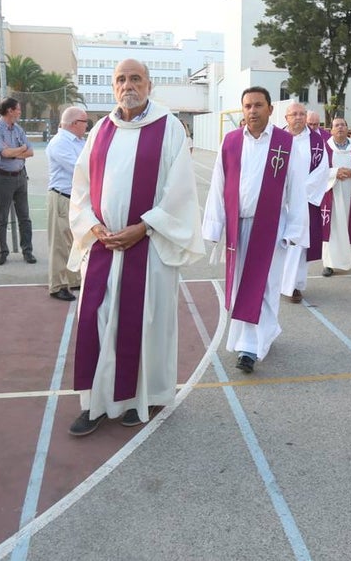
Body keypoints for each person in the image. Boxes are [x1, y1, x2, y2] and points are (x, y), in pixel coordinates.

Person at [66, 59, 203, 435]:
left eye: (136, 78)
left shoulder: (169, 127)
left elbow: (181, 194)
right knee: (97, 320)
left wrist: (142, 228)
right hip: (102, 246)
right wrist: (93, 224)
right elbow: (80, 187)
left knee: (144, 323)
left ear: (149, 84)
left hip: (150, 247)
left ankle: (138, 399)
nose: (128, 85)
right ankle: (94, 403)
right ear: (113, 87)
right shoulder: (101, 130)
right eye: (121, 79)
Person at [203, 87, 305, 374]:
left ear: (270, 109)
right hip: (239, 226)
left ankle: (251, 347)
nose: (252, 111)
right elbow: (218, 185)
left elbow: (296, 189)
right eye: (247, 105)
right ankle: (251, 338)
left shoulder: (285, 143)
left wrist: (294, 230)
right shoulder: (232, 141)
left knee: (266, 287)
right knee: (240, 286)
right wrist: (214, 226)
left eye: (258, 105)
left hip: (271, 228)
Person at [278, 101, 329, 304]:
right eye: (294, 114)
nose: (299, 117)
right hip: (279, 202)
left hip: (304, 201)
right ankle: (277, 282)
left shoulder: (316, 141)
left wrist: (299, 192)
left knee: (298, 244)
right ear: (286, 118)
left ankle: (295, 286)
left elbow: (322, 170)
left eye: (302, 114)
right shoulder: (277, 139)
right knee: (279, 244)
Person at [45, 105, 89, 300]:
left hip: (76, 199)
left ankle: (74, 279)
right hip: (62, 197)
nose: (87, 125)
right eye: (84, 122)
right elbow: (79, 168)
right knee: (60, 244)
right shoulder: (59, 143)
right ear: (73, 124)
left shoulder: (79, 141)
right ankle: (58, 284)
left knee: (75, 241)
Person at [0, 97, 36, 266]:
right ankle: (2, 252)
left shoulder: (18, 129)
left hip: (20, 177)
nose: (20, 112)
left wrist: (15, 151)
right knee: (2, 218)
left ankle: (27, 251)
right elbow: (3, 154)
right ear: (10, 110)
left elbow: (30, 152)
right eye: (18, 109)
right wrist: (19, 149)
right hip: (2, 178)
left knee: (25, 216)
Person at [321, 117, 351, 276]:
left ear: (348, 128)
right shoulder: (324, 148)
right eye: (337, 125)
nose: (340, 127)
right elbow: (317, 170)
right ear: (332, 130)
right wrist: (335, 173)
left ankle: (345, 260)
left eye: (343, 124)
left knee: (346, 226)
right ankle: (328, 263)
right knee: (332, 228)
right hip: (331, 192)